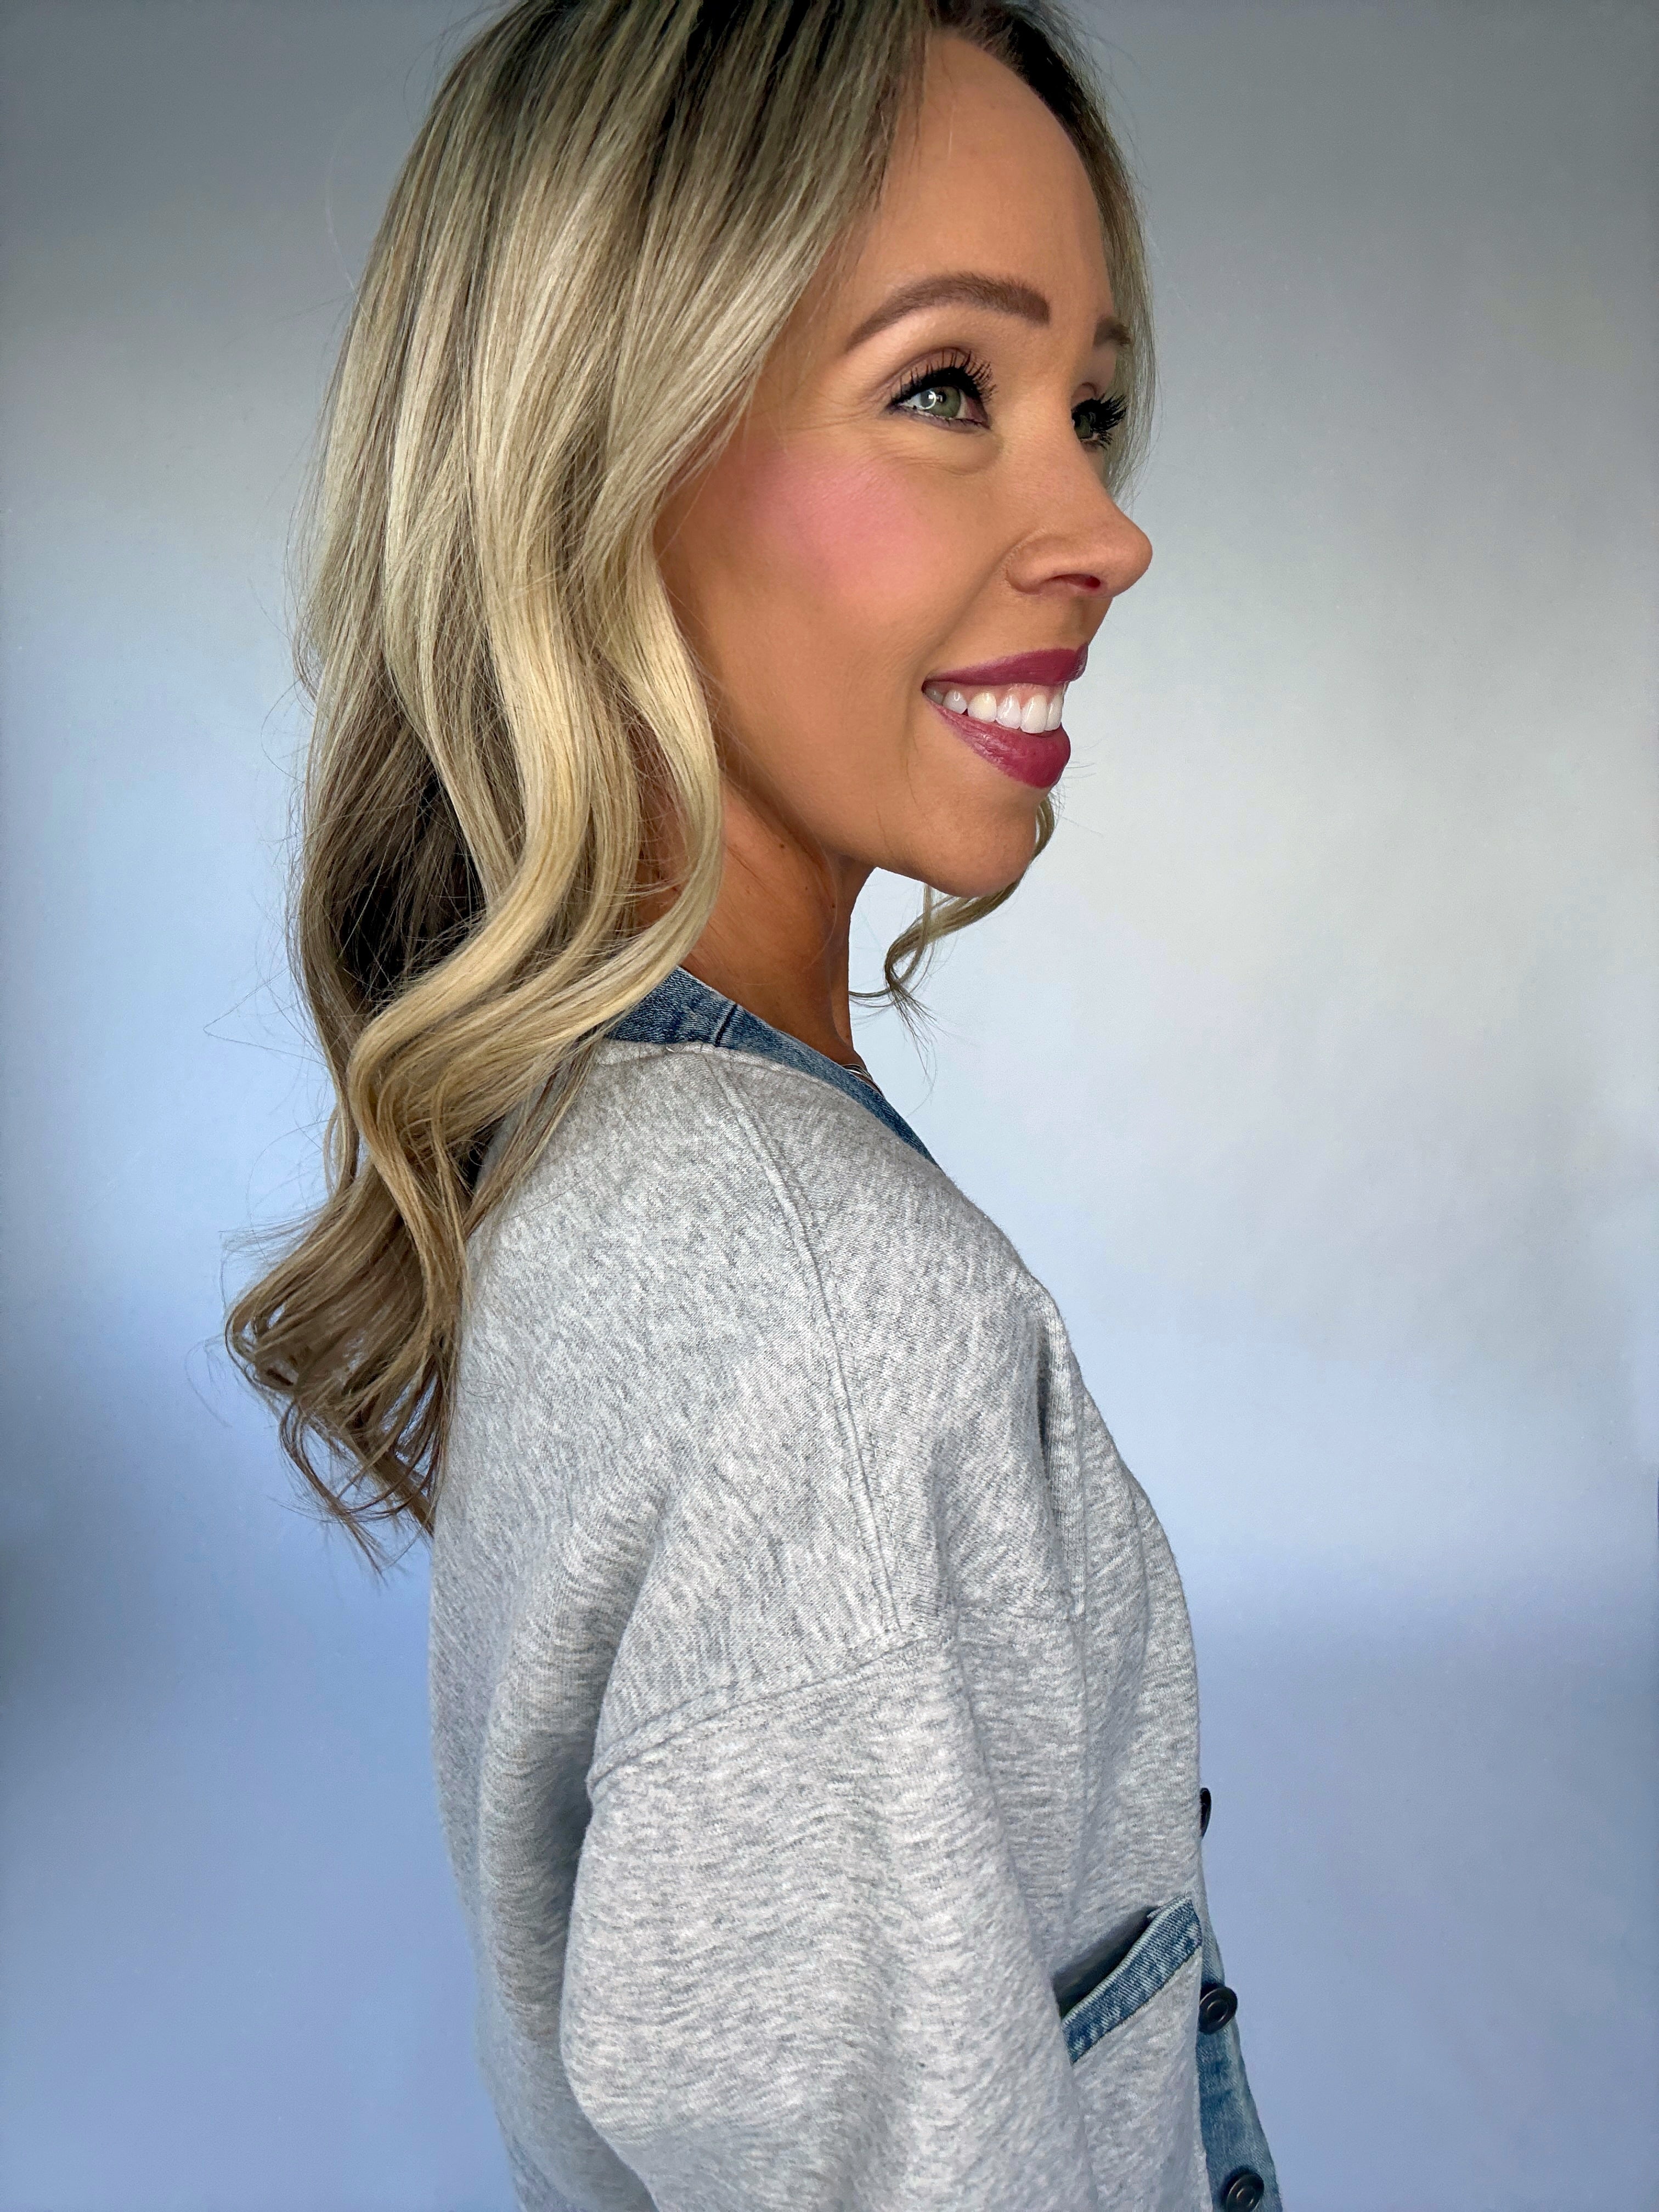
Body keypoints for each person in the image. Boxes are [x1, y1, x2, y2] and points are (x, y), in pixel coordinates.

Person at [228, 1, 1281, 2205]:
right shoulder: (824, 1319)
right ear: (601, 451)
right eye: (945, 387)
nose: (1106, 530)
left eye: (1090, 409)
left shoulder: (606, 1152)